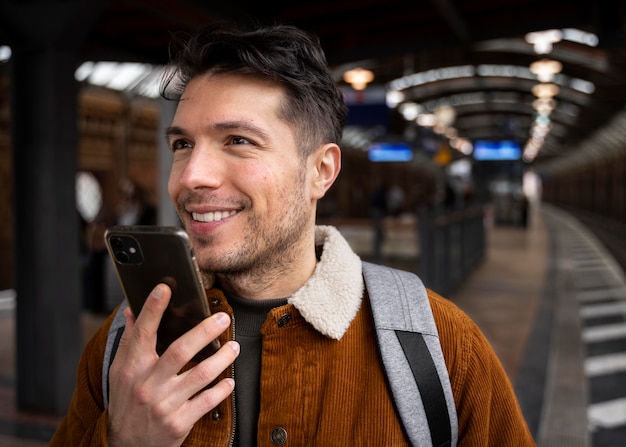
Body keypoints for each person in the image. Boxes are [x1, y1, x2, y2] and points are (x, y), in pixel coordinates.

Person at [50, 22, 535, 446]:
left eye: (238, 140)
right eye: (182, 143)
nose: (191, 174)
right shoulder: (126, 347)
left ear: (321, 171)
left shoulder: (440, 347)